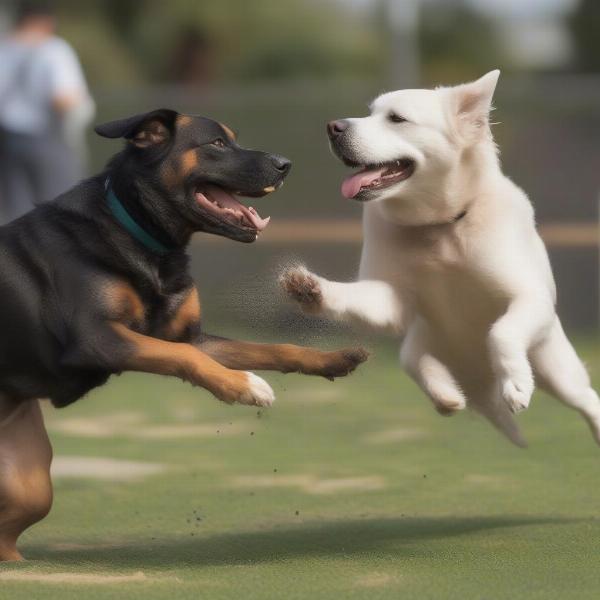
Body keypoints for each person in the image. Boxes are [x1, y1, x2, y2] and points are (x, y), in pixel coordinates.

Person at [0, 1, 95, 223]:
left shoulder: (4, 49)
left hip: (8, 141)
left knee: (16, 218)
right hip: (47, 138)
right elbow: (63, 98)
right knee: (64, 216)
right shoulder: (53, 49)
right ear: (47, 20)